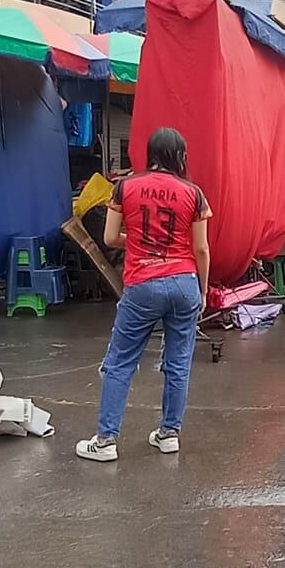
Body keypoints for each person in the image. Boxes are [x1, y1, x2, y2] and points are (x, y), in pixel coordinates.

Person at [76, 127, 211, 462]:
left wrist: (137, 242)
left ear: (149, 154)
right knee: (178, 363)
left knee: (120, 362)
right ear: (180, 156)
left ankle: (106, 441)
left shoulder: (126, 187)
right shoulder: (193, 193)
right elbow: (202, 249)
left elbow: (109, 238)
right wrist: (203, 290)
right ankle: (169, 434)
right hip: (184, 283)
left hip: (143, 284)